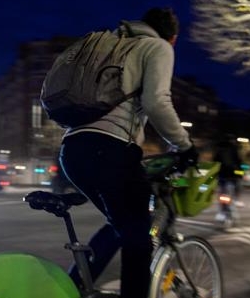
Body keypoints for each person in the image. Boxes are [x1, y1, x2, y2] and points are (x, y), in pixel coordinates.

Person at [58, 7, 198, 298]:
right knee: (139, 238)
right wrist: (185, 145)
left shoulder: (113, 45)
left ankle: (72, 289)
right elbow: (157, 102)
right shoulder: (156, 46)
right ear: (172, 38)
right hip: (110, 149)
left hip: (72, 150)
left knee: (121, 224)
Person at [213, 134, 243, 206]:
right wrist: (240, 174)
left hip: (222, 173)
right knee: (237, 185)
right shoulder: (234, 149)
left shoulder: (219, 149)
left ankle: (223, 210)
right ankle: (236, 199)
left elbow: (215, 161)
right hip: (232, 172)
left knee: (223, 191)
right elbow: (239, 161)